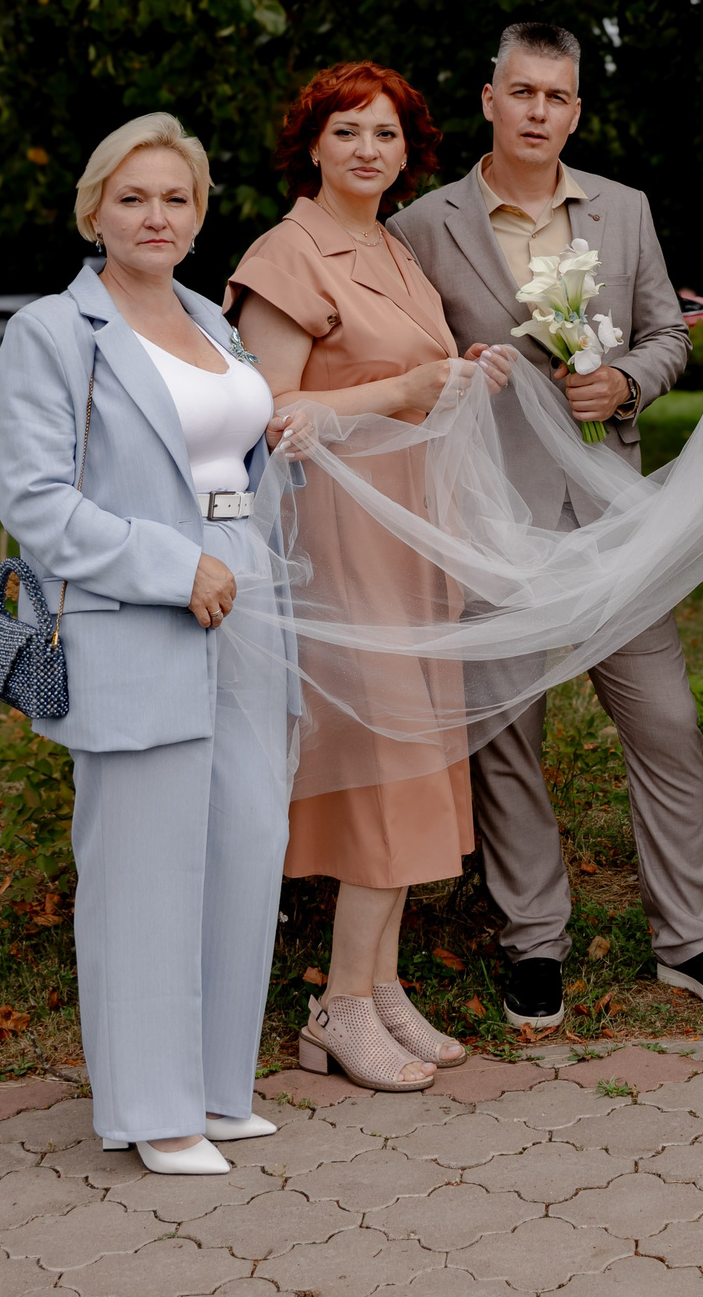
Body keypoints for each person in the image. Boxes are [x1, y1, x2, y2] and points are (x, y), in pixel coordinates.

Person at [390, 22, 703, 1027]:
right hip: (489, 515)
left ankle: (688, 940)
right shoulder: (426, 224)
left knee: (667, 724)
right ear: (489, 98)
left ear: (576, 111)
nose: (538, 113)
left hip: (611, 518)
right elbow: (407, 352)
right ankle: (534, 945)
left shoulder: (624, 211)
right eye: (522, 93)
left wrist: (625, 384)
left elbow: (667, 336)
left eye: (557, 98)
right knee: (506, 732)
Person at [0, 113, 287, 1175]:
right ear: (93, 212)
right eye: (133, 197)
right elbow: (33, 501)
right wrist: (176, 567)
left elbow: (226, 456)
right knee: (144, 868)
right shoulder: (54, 333)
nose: (155, 215)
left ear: (199, 215)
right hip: (141, 614)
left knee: (247, 847)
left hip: (248, 609)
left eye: (175, 198)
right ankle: (152, 1111)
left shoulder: (214, 319)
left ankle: (214, 1085)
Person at [226, 63, 516, 1092]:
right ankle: (339, 1004)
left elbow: (409, 386)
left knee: (417, 758)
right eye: (345, 132)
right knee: (382, 765)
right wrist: (411, 384)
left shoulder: (394, 248)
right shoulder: (285, 256)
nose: (366, 151)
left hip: (410, 540)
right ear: (310, 145)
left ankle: (378, 985)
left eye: (385, 135)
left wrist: (462, 376)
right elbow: (276, 416)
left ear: (406, 152)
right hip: (340, 546)